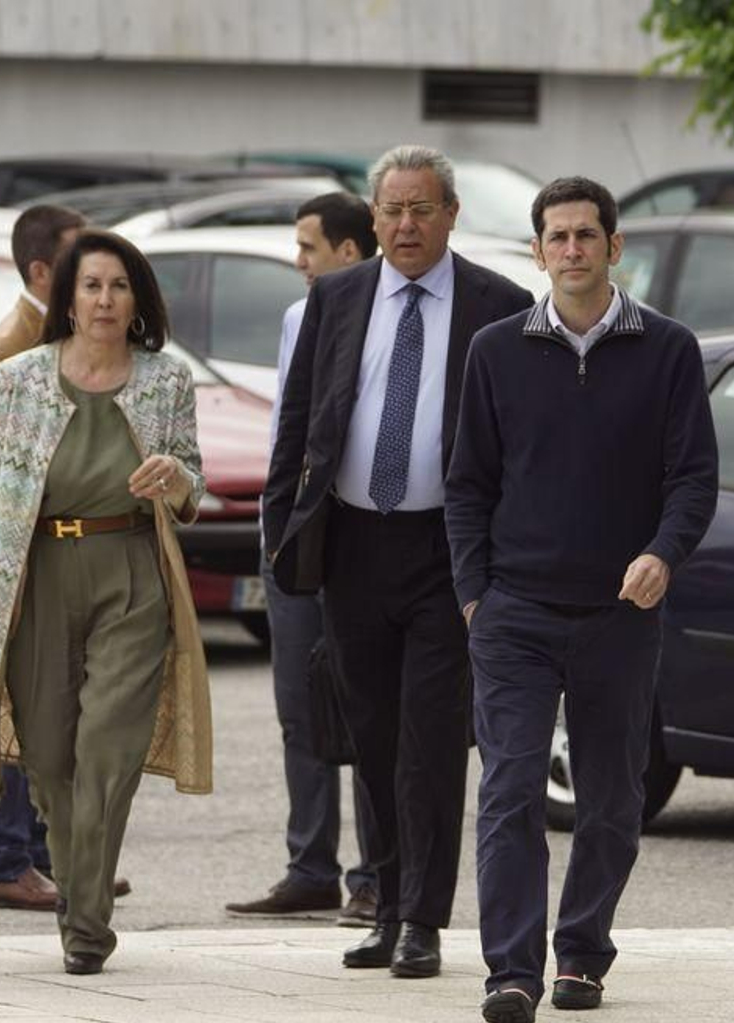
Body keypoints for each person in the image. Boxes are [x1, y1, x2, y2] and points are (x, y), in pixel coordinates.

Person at [445, 177, 718, 1023]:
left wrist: (661, 554)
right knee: (511, 789)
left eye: (585, 236)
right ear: (536, 251)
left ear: (613, 246)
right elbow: (466, 486)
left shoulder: (669, 350)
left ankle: (583, 949)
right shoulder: (494, 351)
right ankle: (512, 971)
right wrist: (473, 595)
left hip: (620, 615)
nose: (571, 250)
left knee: (610, 798)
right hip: (514, 612)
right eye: (556, 237)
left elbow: (694, 479)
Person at [262, 145, 533, 978]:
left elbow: (518, 446)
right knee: (370, 734)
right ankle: (381, 901)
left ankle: (423, 918)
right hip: (352, 543)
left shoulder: (499, 305)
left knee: (431, 739)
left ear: (451, 215)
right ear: (372, 220)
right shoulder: (335, 298)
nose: (406, 225)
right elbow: (301, 423)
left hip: (446, 552)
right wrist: (283, 535)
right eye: (392, 210)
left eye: (422, 209)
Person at [0, 228, 212, 976]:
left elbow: (193, 479)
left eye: (118, 286)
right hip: (38, 574)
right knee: (51, 754)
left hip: (130, 572)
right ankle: (79, 889)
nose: (104, 299)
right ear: (68, 295)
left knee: (108, 751)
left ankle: (85, 921)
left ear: (137, 299)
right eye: (91, 285)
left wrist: (175, 480)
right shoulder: (21, 378)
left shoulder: (165, 381)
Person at [0, 204, 129, 913]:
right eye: (77, 265)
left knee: (52, 707)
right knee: (11, 708)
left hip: (63, 547)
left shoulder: (58, 338)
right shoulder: (10, 350)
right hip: (18, 550)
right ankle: (7, 860)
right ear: (41, 270)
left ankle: (45, 851)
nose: (94, 284)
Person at [226, 193, 382, 925]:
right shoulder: (299, 319)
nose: (298, 263)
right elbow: (289, 429)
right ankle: (309, 866)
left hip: (368, 540)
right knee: (300, 706)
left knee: (371, 709)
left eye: (307, 249)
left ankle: (375, 877)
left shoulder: (389, 313)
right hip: (295, 533)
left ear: (349, 253)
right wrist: (276, 528)